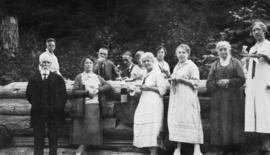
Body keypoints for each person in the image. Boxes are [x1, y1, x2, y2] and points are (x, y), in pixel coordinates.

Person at [206, 41, 245, 155]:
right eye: (221, 49)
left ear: (229, 50)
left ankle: (236, 148)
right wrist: (218, 83)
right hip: (219, 99)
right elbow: (209, 83)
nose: (223, 51)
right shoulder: (215, 65)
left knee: (235, 121)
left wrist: (229, 81)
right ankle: (224, 147)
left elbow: (242, 79)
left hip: (234, 98)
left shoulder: (236, 63)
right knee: (221, 122)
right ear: (218, 51)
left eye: (225, 49)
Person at [26, 54, 67, 155]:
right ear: (40, 64)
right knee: (38, 136)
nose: (45, 64)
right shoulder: (33, 78)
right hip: (38, 112)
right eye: (43, 62)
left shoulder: (58, 79)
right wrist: (36, 104)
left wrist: (57, 107)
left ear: (50, 64)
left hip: (53, 113)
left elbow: (63, 95)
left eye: (47, 62)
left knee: (53, 136)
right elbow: (29, 94)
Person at [71, 56, 112, 155]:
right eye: (86, 63)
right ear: (83, 65)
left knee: (93, 129)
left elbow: (108, 86)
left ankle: (85, 148)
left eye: (90, 63)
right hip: (84, 106)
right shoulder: (79, 77)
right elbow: (74, 92)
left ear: (93, 65)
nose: (88, 65)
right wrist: (87, 93)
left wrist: (98, 90)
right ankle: (82, 148)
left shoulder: (97, 77)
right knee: (83, 128)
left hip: (96, 106)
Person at [167, 44, 203, 155]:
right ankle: (178, 148)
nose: (181, 54)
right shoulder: (177, 66)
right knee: (178, 121)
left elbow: (196, 83)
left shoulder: (192, 66)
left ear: (188, 54)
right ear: (176, 54)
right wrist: (171, 80)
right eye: (179, 52)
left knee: (192, 120)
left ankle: (197, 148)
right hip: (177, 98)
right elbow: (175, 80)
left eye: (183, 52)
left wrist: (182, 80)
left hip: (188, 97)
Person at [133, 52, 168, 155]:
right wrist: (136, 90)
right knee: (144, 125)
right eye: (144, 61)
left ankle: (154, 152)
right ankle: (150, 151)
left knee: (153, 127)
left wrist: (148, 88)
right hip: (145, 101)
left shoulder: (157, 73)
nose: (146, 63)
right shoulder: (145, 74)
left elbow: (163, 90)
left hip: (154, 102)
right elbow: (144, 89)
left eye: (148, 61)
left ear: (153, 61)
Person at [244, 21, 270, 154]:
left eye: (258, 29)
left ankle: (267, 145)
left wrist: (264, 56)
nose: (256, 32)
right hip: (254, 84)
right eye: (254, 30)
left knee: (266, 112)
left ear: (264, 31)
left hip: (265, 83)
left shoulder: (268, 45)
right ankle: (263, 145)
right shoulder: (252, 48)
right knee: (257, 112)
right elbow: (250, 67)